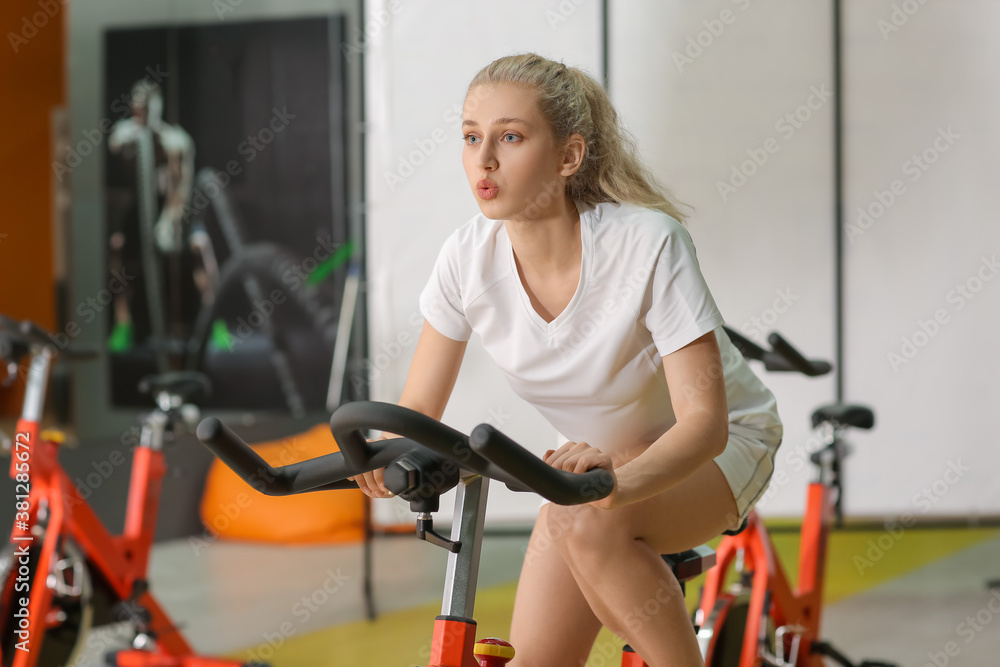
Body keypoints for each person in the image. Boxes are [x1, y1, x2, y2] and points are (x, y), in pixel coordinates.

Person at [351, 53, 783, 666]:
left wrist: (616, 486)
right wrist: (375, 450)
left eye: (511, 136)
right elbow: (417, 407)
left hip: (721, 442)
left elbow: (704, 423)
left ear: (568, 156)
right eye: (471, 137)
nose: (485, 159)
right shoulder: (465, 259)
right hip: (589, 469)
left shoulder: (646, 242)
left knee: (583, 520)